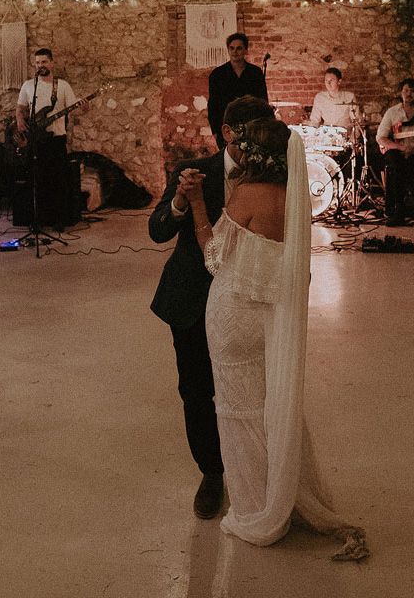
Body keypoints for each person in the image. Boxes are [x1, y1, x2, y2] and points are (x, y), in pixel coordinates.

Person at [181, 116, 367, 557]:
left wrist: (197, 203)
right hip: (270, 317)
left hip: (232, 316)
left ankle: (254, 507)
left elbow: (213, 255)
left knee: (237, 411)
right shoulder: (296, 199)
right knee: (269, 405)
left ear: (255, 154)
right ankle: (284, 494)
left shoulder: (249, 194)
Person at [149, 96, 276, 520]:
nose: (256, 145)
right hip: (192, 298)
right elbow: (156, 231)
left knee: (250, 391)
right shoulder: (194, 171)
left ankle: (254, 468)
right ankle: (212, 472)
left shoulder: (272, 174)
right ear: (227, 133)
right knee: (197, 389)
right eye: (248, 136)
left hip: (246, 303)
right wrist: (180, 203)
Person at [15, 48, 82, 230]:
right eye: (37, 63)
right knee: (37, 181)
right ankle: (38, 219)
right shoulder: (29, 85)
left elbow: (74, 110)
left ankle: (59, 219)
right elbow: (20, 107)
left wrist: (84, 107)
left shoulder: (62, 86)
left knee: (58, 181)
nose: (40, 66)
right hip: (35, 141)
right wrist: (20, 120)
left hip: (56, 139)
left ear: (52, 63)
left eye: (44, 62)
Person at [375, 77, 414, 226]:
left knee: (396, 168)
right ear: (401, 93)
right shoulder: (392, 112)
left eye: (412, 91)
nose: (408, 94)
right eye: (406, 90)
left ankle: (394, 209)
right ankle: (399, 209)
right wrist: (401, 148)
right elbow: (381, 137)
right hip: (398, 153)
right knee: (395, 161)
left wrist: (413, 149)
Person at [207, 33, 269, 150]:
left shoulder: (255, 73)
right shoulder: (217, 75)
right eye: (232, 48)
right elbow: (213, 105)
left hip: (251, 127)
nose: (235, 52)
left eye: (239, 48)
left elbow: (263, 102)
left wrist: (263, 128)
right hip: (226, 128)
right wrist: (215, 131)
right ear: (228, 50)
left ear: (245, 50)